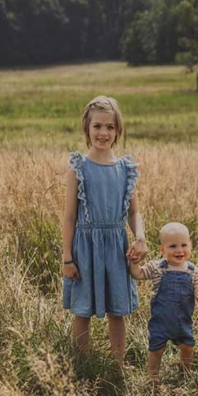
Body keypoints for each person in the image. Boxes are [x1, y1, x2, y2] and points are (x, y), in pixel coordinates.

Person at [62, 95, 148, 365]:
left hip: (116, 247)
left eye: (110, 127)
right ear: (87, 128)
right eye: (97, 126)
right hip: (85, 247)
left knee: (117, 310)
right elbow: (69, 217)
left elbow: (134, 212)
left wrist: (140, 238)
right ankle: (82, 363)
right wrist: (67, 257)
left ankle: (117, 364)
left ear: (118, 131)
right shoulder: (79, 168)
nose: (103, 132)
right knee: (82, 309)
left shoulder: (125, 168)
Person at [128, 222, 198, 382]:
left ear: (190, 246)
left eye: (184, 245)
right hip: (160, 320)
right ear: (162, 250)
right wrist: (134, 263)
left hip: (183, 320)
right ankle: (152, 377)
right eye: (173, 246)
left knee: (187, 346)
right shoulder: (157, 267)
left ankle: (186, 372)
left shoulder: (193, 270)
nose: (179, 250)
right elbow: (138, 274)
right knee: (156, 350)